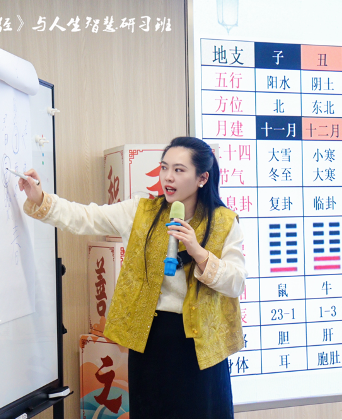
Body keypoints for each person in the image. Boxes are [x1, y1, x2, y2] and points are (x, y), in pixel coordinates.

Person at [19, 137, 247, 419]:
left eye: (179, 170)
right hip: (152, 340)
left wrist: (198, 252)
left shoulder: (224, 221)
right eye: (164, 167)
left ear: (202, 178)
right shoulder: (141, 211)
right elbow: (85, 217)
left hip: (201, 346)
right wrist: (40, 198)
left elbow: (236, 282)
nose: (168, 177)